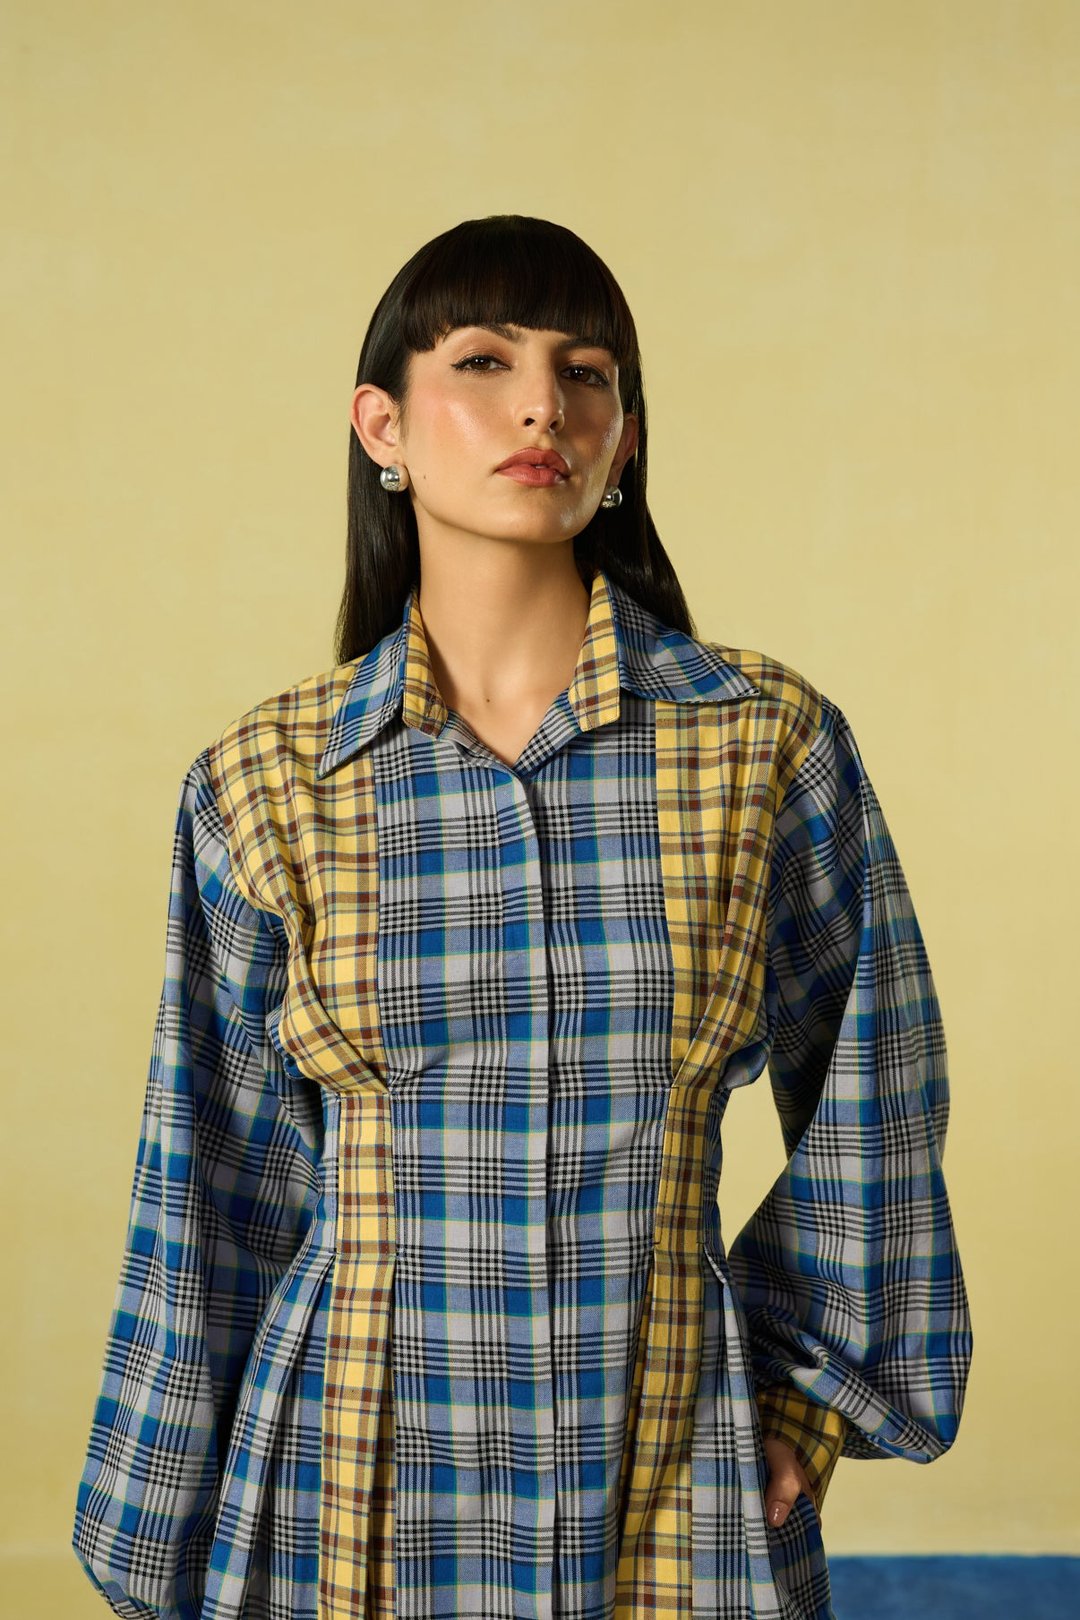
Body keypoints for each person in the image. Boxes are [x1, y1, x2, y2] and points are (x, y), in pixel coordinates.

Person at [71, 214, 972, 1620]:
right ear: (382, 425)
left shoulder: (763, 744)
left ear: (624, 442)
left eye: (585, 372)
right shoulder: (267, 778)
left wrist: (810, 1395)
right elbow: (215, 1179)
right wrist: (160, 1528)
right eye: (484, 362)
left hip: (669, 1453)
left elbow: (880, 1079)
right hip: (350, 1468)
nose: (543, 405)